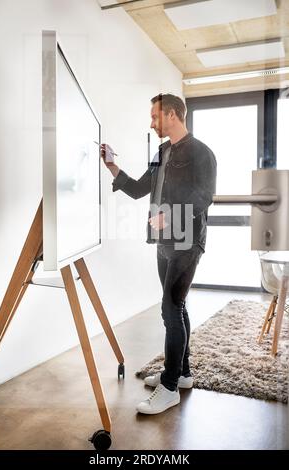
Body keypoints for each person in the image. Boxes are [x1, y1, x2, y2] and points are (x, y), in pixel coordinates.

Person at [100, 93, 217, 415]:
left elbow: (205, 198)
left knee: (170, 308)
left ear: (173, 115)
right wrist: (111, 165)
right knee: (177, 307)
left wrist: (172, 215)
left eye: (155, 117)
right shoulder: (161, 151)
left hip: (187, 242)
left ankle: (168, 387)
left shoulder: (201, 152)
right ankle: (183, 374)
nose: (151, 123)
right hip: (163, 242)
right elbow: (140, 189)